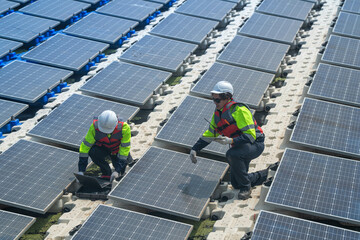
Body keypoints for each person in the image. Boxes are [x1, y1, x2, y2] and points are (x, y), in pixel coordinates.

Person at [190, 81, 265, 200]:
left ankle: (246, 188)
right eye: (213, 100)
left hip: (255, 144)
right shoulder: (218, 114)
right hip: (241, 147)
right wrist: (195, 149)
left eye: (217, 100)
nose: (215, 103)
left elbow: (250, 136)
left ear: (227, 97)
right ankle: (265, 175)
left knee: (231, 154)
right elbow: (210, 134)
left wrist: (231, 141)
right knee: (236, 183)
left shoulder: (239, 110)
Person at [78, 110, 132, 183]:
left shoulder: (124, 128)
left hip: (117, 151)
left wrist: (117, 170)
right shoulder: (95, 126)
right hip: (104, 148)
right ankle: (106, 173)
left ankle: (125, 165)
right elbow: (85, 147)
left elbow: (124, 149)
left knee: (120, 173)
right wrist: (81, 170)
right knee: (93, 152)